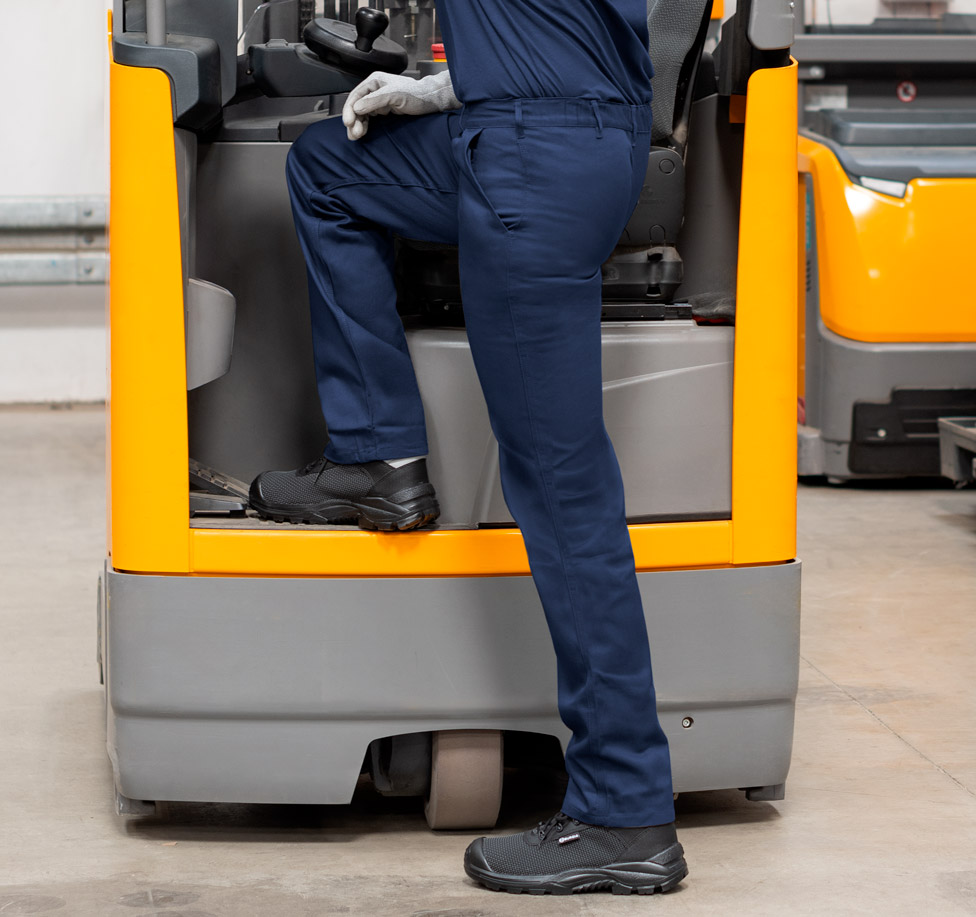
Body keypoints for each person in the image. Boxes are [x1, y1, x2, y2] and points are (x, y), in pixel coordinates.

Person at [248, 0, 687, 896]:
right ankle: (378, 456)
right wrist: (446, 88)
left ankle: (625, 806)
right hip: (582, 137)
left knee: (562, 487)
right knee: (328, 165)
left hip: (530, 159)